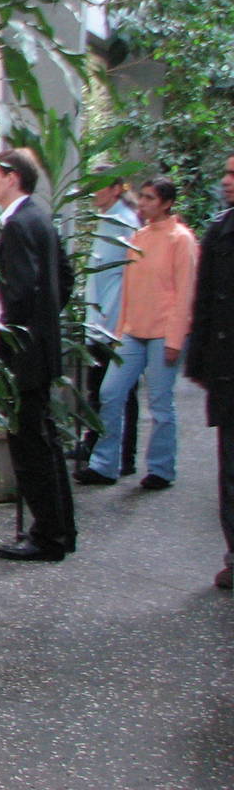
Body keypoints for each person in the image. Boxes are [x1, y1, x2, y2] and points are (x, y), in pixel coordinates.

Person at [75, 177, 197, 490]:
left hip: (162, 333)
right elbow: (129, 287)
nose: (142, 204)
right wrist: (120, 329)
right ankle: (105, 464)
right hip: (131, 331)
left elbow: (184, 292)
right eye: (141, 197)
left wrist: (174, 338)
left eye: (150, 199)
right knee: (109, 393)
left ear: (166, 203)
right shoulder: (139, 236)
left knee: (160, 402)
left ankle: (160, 468)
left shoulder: (180, 239)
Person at [0, 148, 77, 561]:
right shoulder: (40, 218)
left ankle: (47, 537)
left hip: (24, 354)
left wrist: (3, 332)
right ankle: (59, 531)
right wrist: (44, 324)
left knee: (31, 444)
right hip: (40, 349)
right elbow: (65, 278)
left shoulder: (20, 225)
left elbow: (19, 291)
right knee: (44, 440)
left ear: (11, 178)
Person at [185, 154, 234, 590]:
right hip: (227, 371)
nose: (226, 181)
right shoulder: (220, 230)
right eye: (226, 172)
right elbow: (204, 302)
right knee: (230, 464)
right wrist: (197, 359)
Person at [77, 175, 140, 472]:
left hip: (112, 322)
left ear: (116, 188)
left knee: (118, 391)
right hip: (97, 321)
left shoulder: (125, 222)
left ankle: (123, 456)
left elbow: (126, 278)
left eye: (99, 184)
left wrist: (115, 322)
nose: (93, 191)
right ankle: (95, 445)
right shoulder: (105, 219)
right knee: (97, 389)